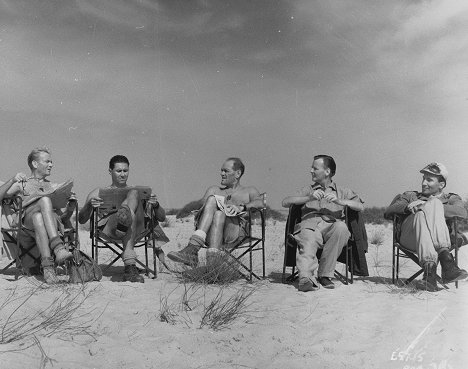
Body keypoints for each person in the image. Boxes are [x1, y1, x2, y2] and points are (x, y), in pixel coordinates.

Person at [78, 155, 167, 283]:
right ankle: (130, 266)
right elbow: (81, 220)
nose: (123, 174)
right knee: (131, 206)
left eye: (125, 171)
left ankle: (125, 217)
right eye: (118, 171)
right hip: (111, 229)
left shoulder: (141, 192)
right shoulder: (97, 192)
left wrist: (156, 204)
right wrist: (89, 205)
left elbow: (162, 217)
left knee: (134, 194)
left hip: (138, 228)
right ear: (110, 171)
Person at [282, 155, 364, 291]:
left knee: (342, 228)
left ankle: (325, 275)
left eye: (315, 168)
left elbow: (360, 206)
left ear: (327, 171)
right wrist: (308, 197)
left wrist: (340, 201)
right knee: (308, 237)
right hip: (310, 225)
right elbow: (285, 202)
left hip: (332, 225)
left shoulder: (342, 191)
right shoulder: (308, 189)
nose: (311, 171)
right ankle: (306, 278)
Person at [384, 162, 468, 291]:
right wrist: (407, 207)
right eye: (423, 179)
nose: (424, 183)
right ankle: (447, 263)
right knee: (420, 214)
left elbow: (462, 212)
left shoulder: (451, 198)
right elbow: (389, 211)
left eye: (429, 180)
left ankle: (430, 276)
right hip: (411, 239)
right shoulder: (410, 196)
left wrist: (426, 205)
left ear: (441, 184)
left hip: (433, 242)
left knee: (427, 210)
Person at [167, 157, 264, 267]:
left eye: (226, 171)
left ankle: (192, 248)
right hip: (209, 234)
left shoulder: (249, 191)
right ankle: (212, 265)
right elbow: (200, 205)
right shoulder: (214, 189)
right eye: (221, 170)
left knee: (214, 202)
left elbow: (260, 203)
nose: (221, 173)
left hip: (235, 234)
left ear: (237, 174)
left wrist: (242, 207)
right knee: (216, 208)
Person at [3, 147, 76, 283]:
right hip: (25, 227)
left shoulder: (53, 186)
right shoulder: (22, 184)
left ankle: (47, 268)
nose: (51, 165)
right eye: (47, 161)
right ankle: (58, 247)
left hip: (45, 225)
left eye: (51, 162)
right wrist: (12, 180)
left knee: (38, 217)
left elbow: (62, 219)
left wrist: (70, 208)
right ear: (35, 164)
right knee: (44, 200)